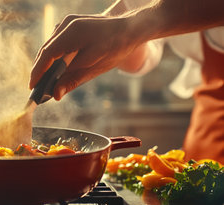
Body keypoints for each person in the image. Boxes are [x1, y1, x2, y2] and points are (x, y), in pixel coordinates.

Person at [29, 0, 224, 164]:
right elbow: (141, 52)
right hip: (204, 144)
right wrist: (114, 30)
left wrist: (130, 28)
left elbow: (134, 25)